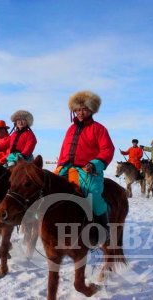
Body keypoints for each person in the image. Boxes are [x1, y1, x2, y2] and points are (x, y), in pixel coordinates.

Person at [55, 90, 115, 237]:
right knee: (47, 188)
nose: (80, 113)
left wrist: (95, 164)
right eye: (78, 110)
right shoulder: (71, 128)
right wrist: (59, 166)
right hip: (66, 167)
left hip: (89, 169)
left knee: (93, 196)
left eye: (84, 109)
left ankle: (103, 229)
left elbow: (108, 149)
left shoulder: (99, 129)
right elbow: (64, 149)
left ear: (91, 110)